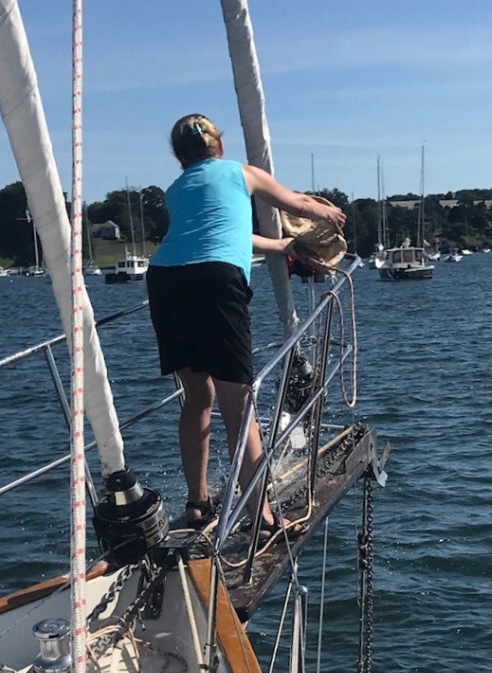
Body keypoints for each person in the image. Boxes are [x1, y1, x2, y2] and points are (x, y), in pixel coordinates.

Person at [147, 113, 346, 537]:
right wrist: (329, 213)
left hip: (165, 280)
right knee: (238, 406)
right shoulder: (242, 172)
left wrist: (279, 245)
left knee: (198, 396)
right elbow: (297, 204)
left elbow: (226, 230)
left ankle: (197, 504)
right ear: (219, 146)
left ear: (180, 157)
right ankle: (262, 518)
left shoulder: (176, 191)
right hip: (215, 280)